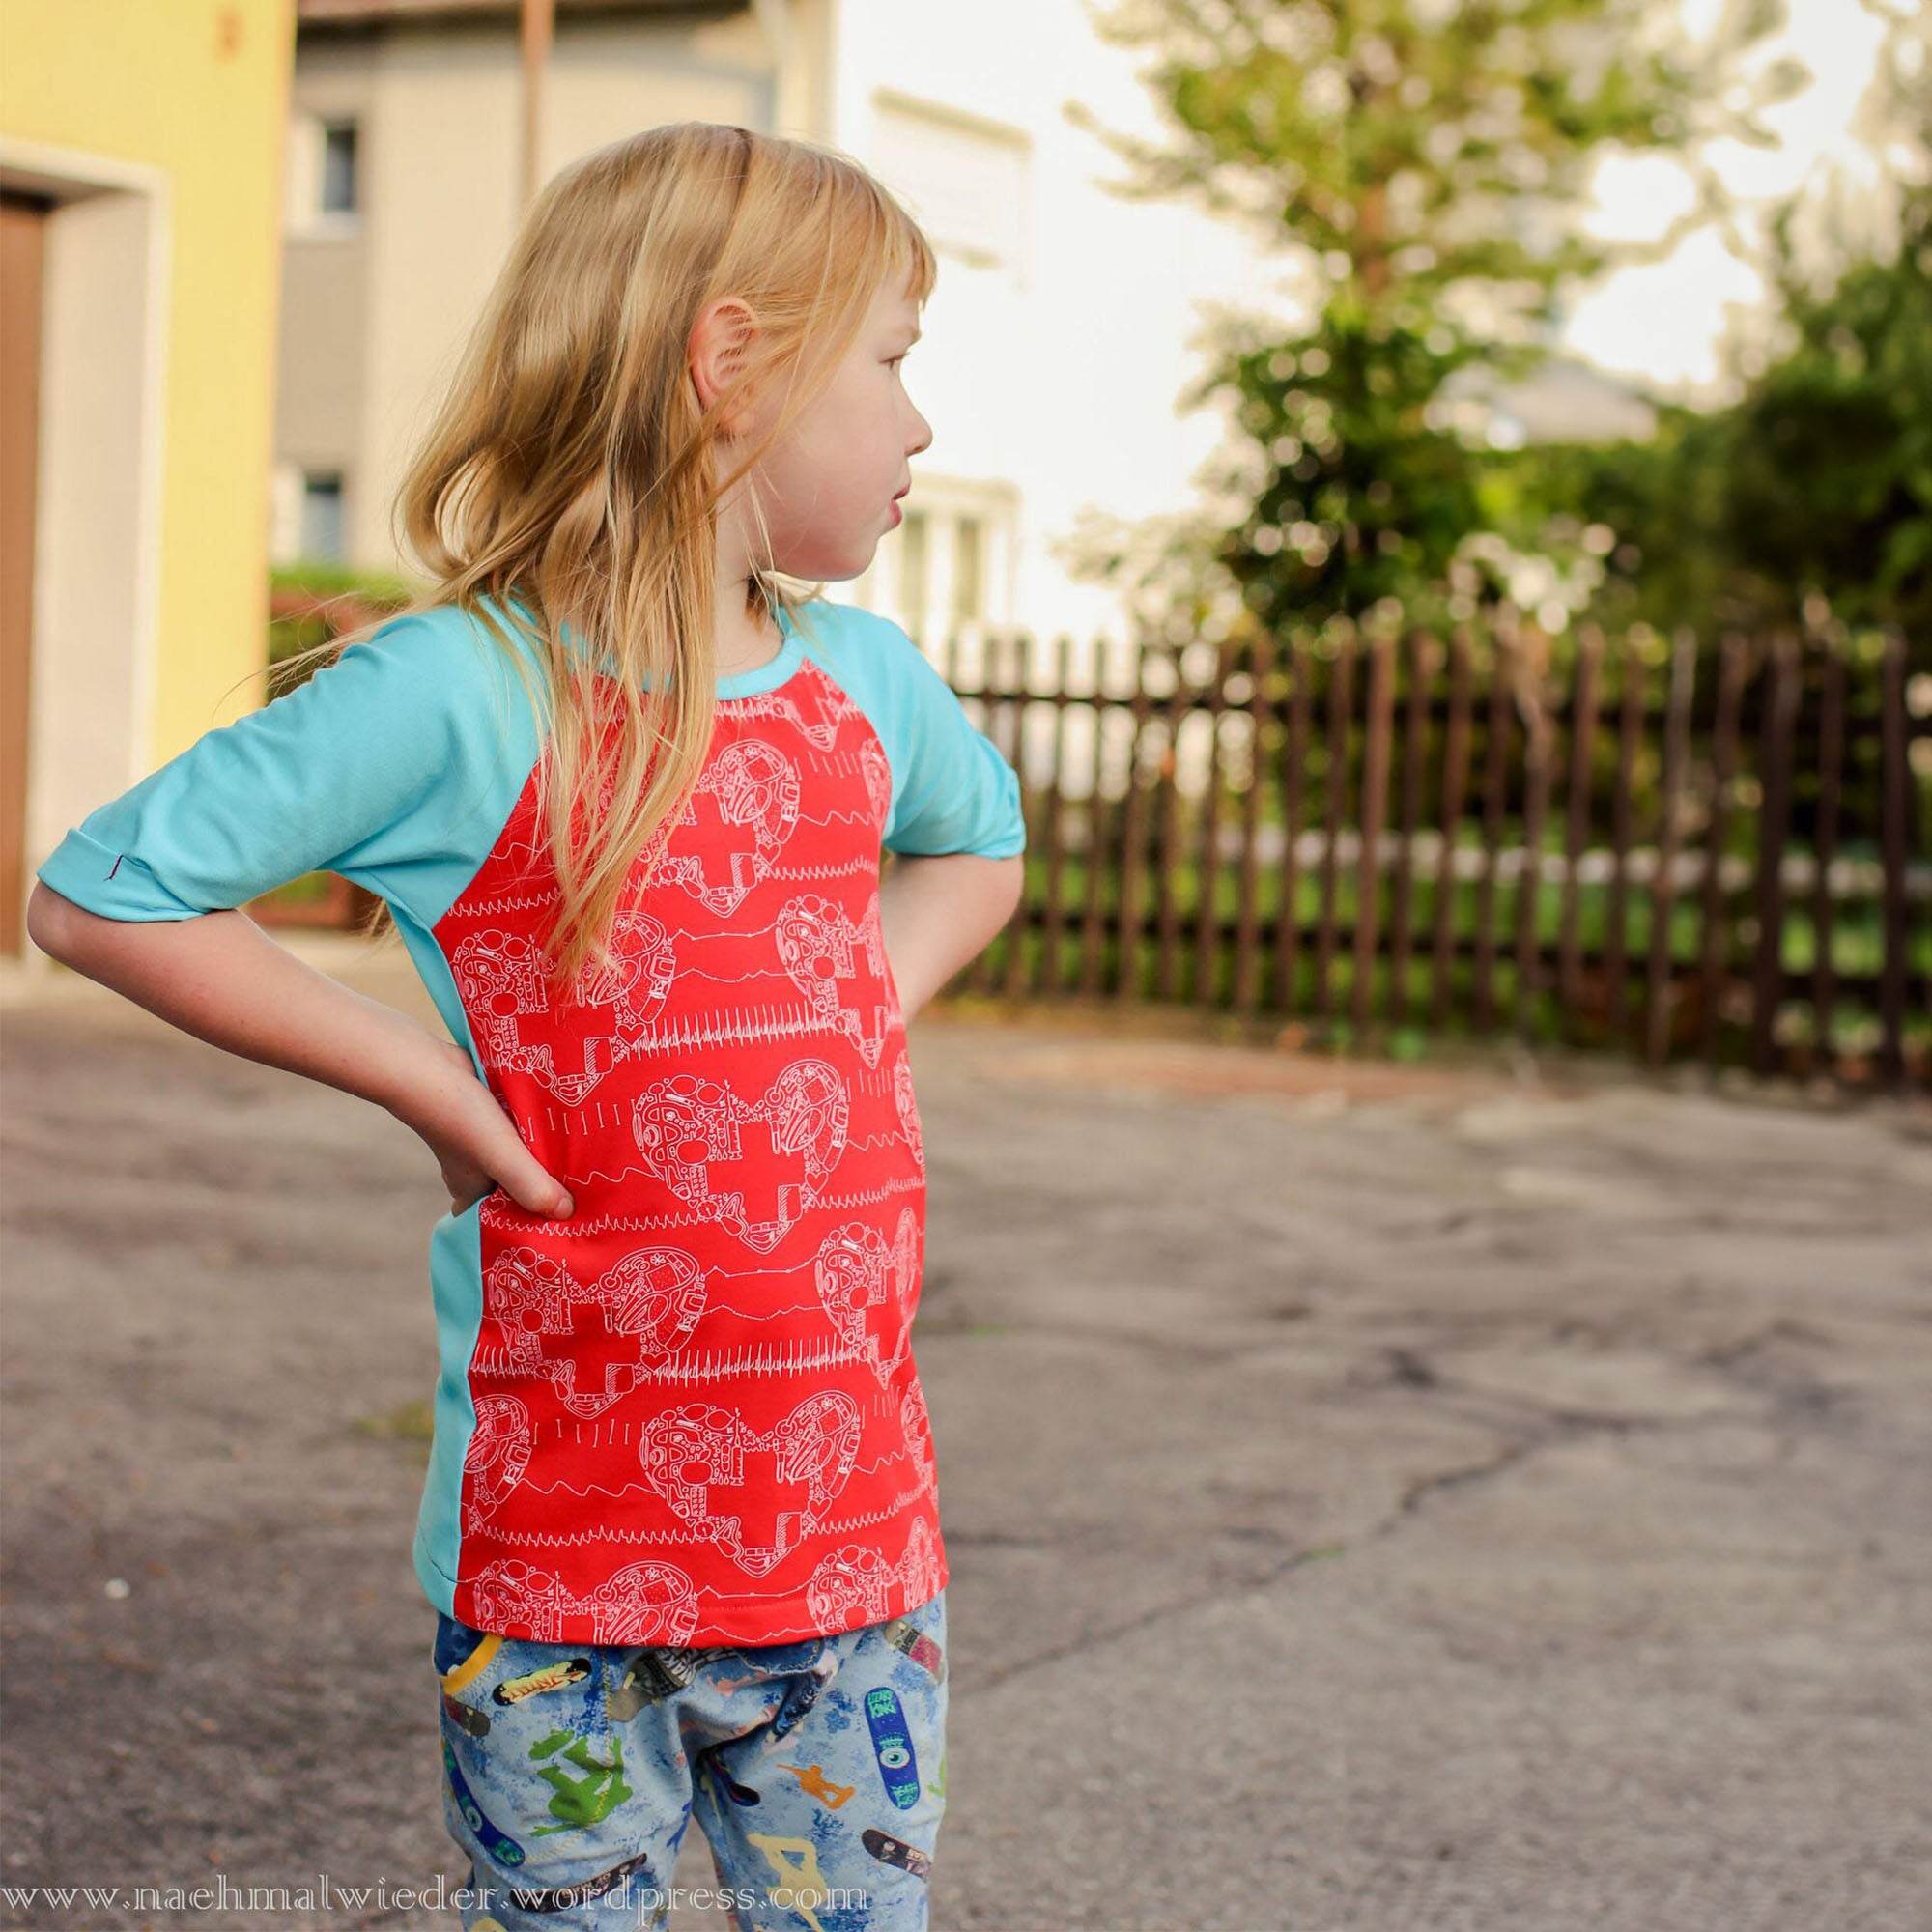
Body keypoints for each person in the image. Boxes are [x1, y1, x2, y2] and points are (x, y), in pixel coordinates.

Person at [27, 122, 1026, 1931]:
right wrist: (433, 1085)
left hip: (853, 1558)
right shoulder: (461, 689)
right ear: (730, 365)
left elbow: (983, 842)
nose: (920, 426)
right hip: (564, 1568)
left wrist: (845, 1005)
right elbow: (104, 893)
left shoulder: (873, 686)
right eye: (891, 363)